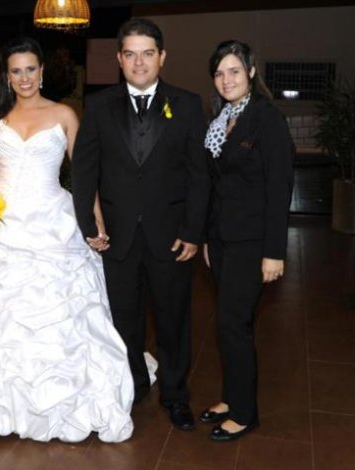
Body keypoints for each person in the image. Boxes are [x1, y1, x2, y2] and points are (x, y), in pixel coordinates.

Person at [0, 36, 134, 443]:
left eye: (31, 69)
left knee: (53, 311)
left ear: (42, 71)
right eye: (16, 71)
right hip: (1, 225)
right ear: (8, 77)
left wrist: (96, 222)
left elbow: (84, 174)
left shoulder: (65, 114)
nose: (25, 77)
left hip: (51, 223)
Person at [71, 18, 210, 431]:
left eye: (147, 53)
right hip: (117, 237)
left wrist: (193, 231)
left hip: (171, 237)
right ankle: (133, 383)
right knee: (123, 320)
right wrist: (89, 225)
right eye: (130, 54)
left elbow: (199, 175)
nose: (139, 62)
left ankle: (175, 395)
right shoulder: (98, 105)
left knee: (173, 319)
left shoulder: (188, 104)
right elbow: (84, 170)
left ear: (162, 57)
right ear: (119, 58)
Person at [200, 40, 294, 441]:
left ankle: (244, 413)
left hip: (252, 242)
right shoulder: (222, 118)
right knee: (228, 326)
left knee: (232, 323)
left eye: (234, 71)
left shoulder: (267, 119)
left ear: (251, 72)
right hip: (223, 240)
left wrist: (274, 252)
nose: (227, 80)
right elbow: (215, 186)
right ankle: (232, 397)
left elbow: (279, 188)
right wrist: (208, 238)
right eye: (219, 73)